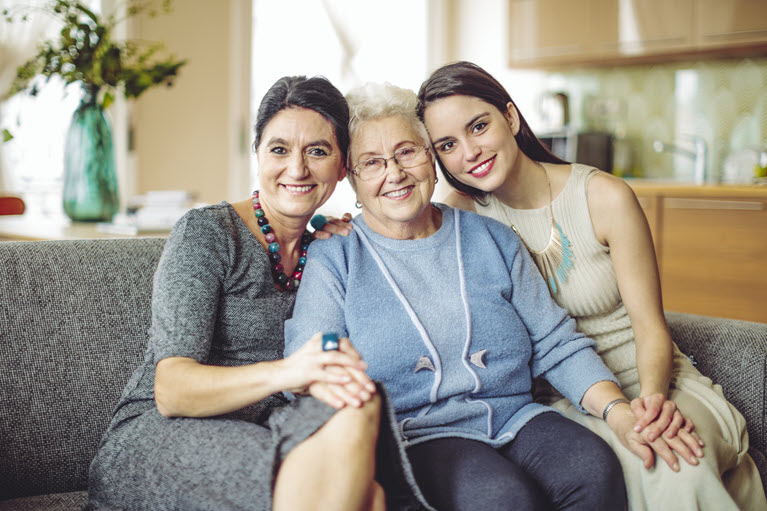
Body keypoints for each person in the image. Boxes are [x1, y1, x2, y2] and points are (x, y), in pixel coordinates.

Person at [417, 61, 767, 511]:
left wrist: (653, 405)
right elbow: (396, 246)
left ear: (511, 117)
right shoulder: (460, 216)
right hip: (559, 403)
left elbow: (651, 328)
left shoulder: (603, 197)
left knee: (676, 461)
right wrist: (336, 230)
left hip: (652, 382)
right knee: (624, 468)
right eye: (448, 144)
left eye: (479, 126)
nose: (470, 151)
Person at [284, 81, 640, 511]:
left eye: (407, 152)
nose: (394, 173)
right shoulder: (335, 256)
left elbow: (555, 342)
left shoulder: (491, 237)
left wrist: (619, 411)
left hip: (516, 414)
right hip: (416, 434)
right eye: (372, 163)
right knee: (502, 498)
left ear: (431, 157)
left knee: (593, 466)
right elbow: (310, 365)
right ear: (350, 178)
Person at [84, 75, 428, 511]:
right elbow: (171, 389)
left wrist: (338, 239)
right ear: (258, 155)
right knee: (367, 498)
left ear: (342, 167)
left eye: (318, 152)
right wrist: (288, 371)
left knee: (361, 400)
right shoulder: (209, 233)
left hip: (274, 424)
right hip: (164, 432)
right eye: (279, 149)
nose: (298, 169)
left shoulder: (326, 250)